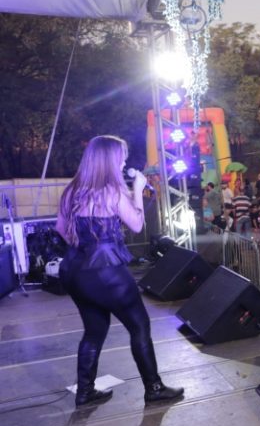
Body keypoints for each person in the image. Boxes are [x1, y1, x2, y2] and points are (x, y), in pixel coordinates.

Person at [56, 135, 183, 406]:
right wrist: (138, 188)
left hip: (75, 270)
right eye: (122, 155)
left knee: (93, 330)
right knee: (139, 325)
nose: (125, 160)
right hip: (106, 272)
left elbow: (61, 230)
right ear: (110, 159)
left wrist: (86, 245)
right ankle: (154, 387)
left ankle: (85, 391)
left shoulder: (71, 191)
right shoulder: (112, 192)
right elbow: (137, 224)